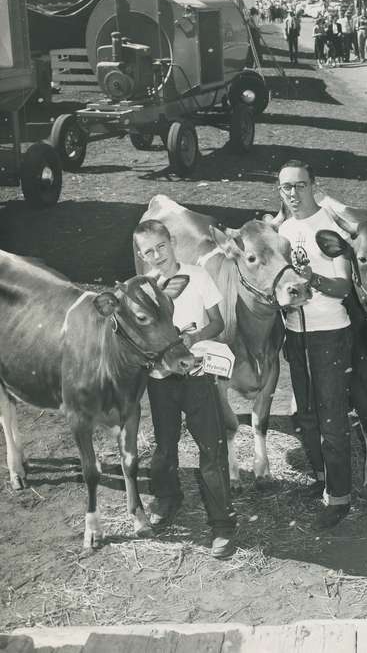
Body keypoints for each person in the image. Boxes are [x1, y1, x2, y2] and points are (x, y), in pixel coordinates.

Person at [133, 220, 236, 560]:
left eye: (161, 247)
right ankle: (168, 497)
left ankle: (221, 524)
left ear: (173, 241)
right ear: (140, 255)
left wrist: (193, 338)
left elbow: (218, 323)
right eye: (148, 251)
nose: (156, 255)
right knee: (165, 445)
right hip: (161, 381)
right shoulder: (143, 289)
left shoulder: (198, 275)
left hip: (197, 373)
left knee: (211, 446)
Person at [276, 160, 355, 531]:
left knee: (332, 418)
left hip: (329, 333)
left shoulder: (329, 227)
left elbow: (344, 288)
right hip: (295, 332)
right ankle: (323, 479)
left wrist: (313, 278)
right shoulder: (282, 230)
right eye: (286, 188)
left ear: (314, 185)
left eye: (300, 186)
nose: (293, 194)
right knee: (305, 415)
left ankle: (340, 497)